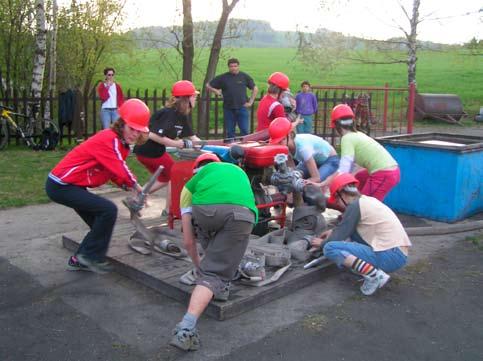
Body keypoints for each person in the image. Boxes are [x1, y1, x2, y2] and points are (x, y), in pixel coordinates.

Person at [45, 99, 149, 274]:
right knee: (107, 210)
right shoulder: (108, 138)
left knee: (100, 223)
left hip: (72, 185)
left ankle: (81, 258)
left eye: (138, 131)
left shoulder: (121, 145)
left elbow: (111, 170)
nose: (134, 134)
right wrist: (136, 186)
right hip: (61, 185)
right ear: (122, 123)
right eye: (132, 129)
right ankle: (88, 256)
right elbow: (118, 166)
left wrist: (125, 185)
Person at [170, 154, 258, 351]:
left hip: (205, 211)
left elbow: (188, 240)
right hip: (242, 214)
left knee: (212, 263)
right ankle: (190, 322)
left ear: (195, 170)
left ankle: (189, 323)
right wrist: (209, 272)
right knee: (223, 258)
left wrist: (200, 267)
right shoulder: (236, 170)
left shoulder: (191, 185)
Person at [310, 173, 411, 296]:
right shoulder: (367, 201)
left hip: (389, 256)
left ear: (342, 194)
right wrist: (333, 232)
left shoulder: (354, 206)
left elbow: (338, 237)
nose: (337, 203)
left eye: (336, 199)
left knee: (330, 248)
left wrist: (321, 243)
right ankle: (371, 270)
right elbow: (349, 229)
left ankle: (374, 276)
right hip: (398, 253)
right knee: (352, 237)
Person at [133, 80, 201, 215]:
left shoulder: (182, 115)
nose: (195, 98)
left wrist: (207, 146)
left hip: (154, 152)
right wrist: (175, 144)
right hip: (149, 151)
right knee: (174, 174)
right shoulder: (168, 113)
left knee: (165, 178)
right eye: (193, 96)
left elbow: (193, 138)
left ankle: (136, 200)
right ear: (185, 98)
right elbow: (151, 134)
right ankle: (169, 210)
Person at [329, 103, 400, 201]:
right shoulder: (357, 134)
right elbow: (351, 165)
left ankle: (358, 210)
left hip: (384, 173)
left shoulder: (347, 138)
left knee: (365, 203)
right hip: (389, 171)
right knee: (360, 177)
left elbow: (344, 168)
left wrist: (332, 185)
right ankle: (352, 206)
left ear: (336, 125)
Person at [269, 117, 339, 184]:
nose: (278, 145)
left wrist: (303, 183)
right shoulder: (287, 146)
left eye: (281, 141)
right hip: (313, 160)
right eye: (276, 142)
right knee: (293, 178)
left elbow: (316, 178)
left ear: (290, 135)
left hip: (330, 160)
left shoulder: (303, 148)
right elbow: (291, 172)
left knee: (313, 185)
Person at [206, 58, 258, 139]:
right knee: (230, 132)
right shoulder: (223, 77)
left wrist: (251, 102)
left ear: (238, 66)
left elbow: (255, 88)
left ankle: (246, 149)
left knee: (245, 131)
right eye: (231, 66)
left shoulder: (244, 76)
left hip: (242, 108)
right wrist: (216, 91)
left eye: (235, 66)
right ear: (228, 67)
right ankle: (231, 149)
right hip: (228, 109)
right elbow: (208, 85)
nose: (233, 68)